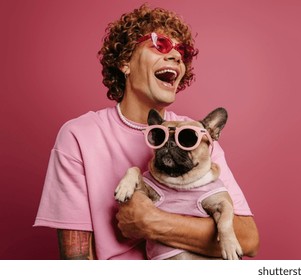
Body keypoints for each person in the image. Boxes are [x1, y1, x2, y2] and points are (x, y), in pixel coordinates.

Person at [34, 4, 259, 260]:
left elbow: (248, 240)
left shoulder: (196, 136)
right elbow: (76, 259)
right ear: (124, 61)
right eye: (160, 44)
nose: (175, 56)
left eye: (181, 52)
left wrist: (151, 221)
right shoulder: (80, 135)